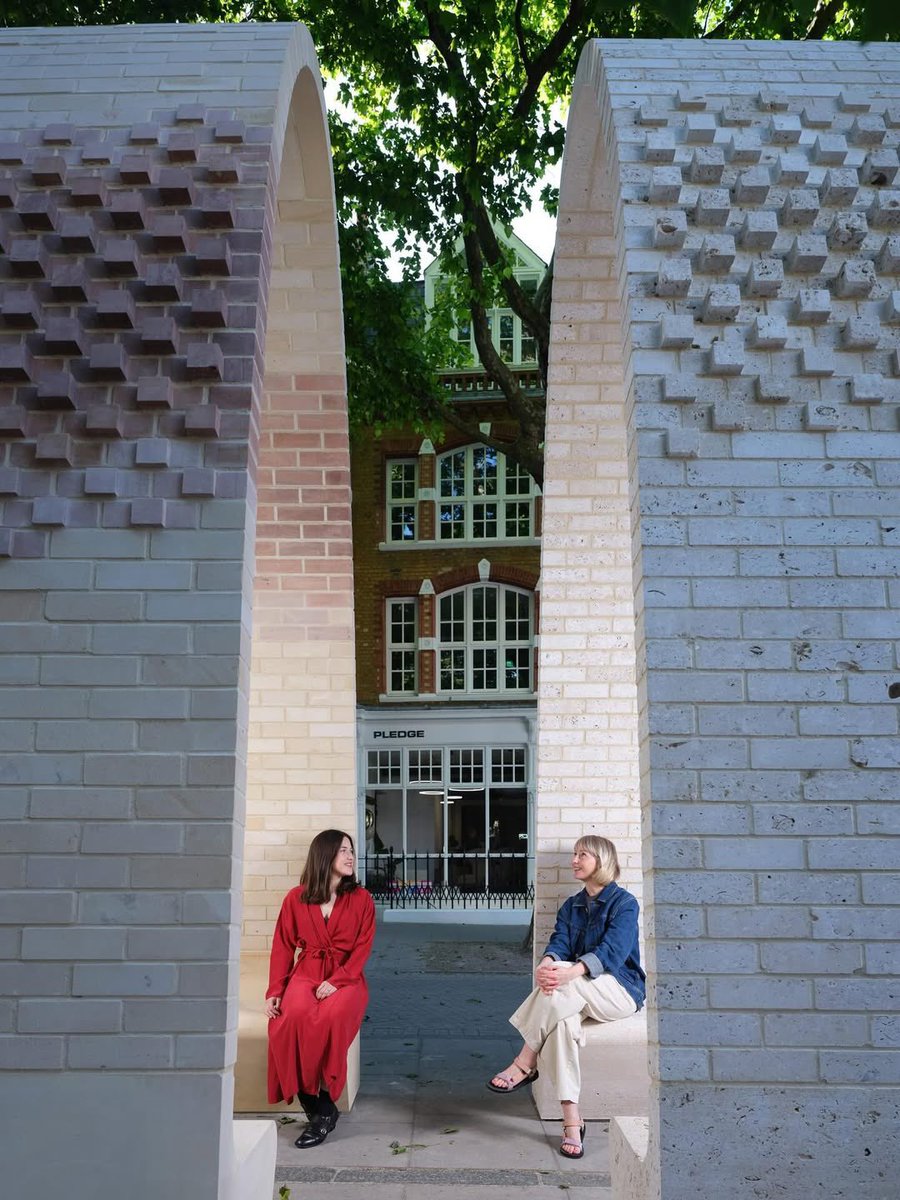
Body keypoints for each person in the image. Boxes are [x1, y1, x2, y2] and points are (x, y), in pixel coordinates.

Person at [486, 835, 645, 1161]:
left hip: (618, 991)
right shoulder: (571, 905)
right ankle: (572, 1121)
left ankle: (524, 1062)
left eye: (581, 854)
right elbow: (559, 942)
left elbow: (612, 954)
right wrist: (547, 966)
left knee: (562, 981)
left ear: (600, 860)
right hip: (576, 993)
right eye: (574, 854)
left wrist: (565, 973)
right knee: (561, 1026)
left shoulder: (625, 904)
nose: (574, 860)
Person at [265, 829, 376, 1148]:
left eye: (351, 851)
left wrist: (337, 981)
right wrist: (275, 990)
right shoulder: (296, 898)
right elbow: (283, 947)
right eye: (343, 850)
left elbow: (362, 949)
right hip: (307, 972)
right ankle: (316, 1108)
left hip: (347, 977)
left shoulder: (361, 899)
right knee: (286, 1020)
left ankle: (324, 1105)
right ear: (324, 855)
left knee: (331, 1018)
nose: (351, 856)